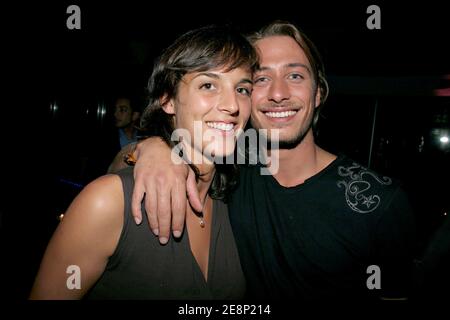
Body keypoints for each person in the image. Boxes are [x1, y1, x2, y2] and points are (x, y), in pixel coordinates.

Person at [130, 21, 417, 300]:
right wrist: (154, 149)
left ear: (318, 93)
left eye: (295, 76)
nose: (278, 94)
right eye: (261, 79)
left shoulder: (378, 202)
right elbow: (124, 167)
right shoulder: (230, 168)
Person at [29, 24, 258, 299]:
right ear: (168, 100)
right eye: (208, 85)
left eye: (242, 89)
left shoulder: (237, 200)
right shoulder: (107, 202)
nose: (232, 105)